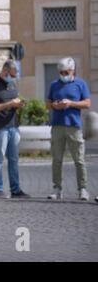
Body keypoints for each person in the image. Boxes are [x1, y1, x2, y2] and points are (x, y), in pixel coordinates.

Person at [46, 57, 91, 201]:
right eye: (61, 72)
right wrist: (55, 105)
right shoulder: (54, 85)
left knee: (79, 160)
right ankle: (57, 189)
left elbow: (87, 103)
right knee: (57, 159)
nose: (63, 74)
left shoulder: (80, 84)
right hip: (57, 126)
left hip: (73, 126)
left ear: (72, 70)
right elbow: (47, 103)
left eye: (65, 72)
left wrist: (71, 103)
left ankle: (82, 189)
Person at [0, 60, 30, 199]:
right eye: (11, 74)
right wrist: (9, 104)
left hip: (13, 127)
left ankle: (15, 190)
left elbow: (13, 100)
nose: (13, 77)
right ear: (5, 71)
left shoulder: (12, 84)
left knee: (14, 160)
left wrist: (18, 104)